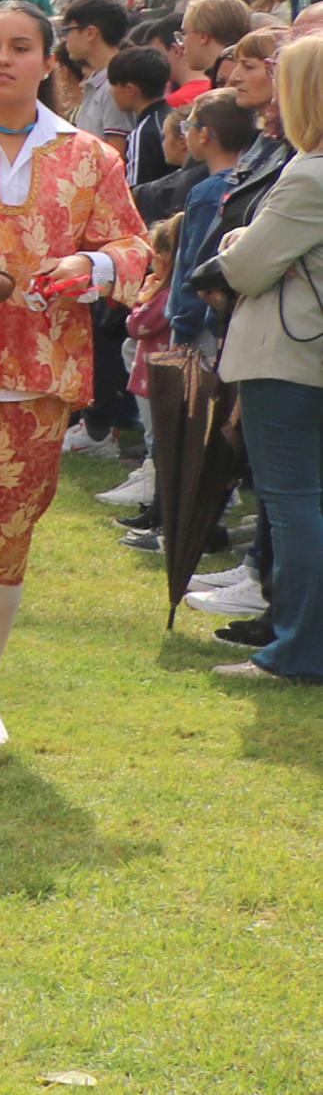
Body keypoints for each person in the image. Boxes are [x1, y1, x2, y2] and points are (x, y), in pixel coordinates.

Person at [0, 0, 152, 747]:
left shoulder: (85, 155)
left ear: (45, 61)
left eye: (19, 46)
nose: (2, 58)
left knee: (4, 541)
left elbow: (134, 247)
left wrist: (90, 262)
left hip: (33, 376)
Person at [204, 37, 323, 684]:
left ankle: (297, 650)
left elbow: (244, 266)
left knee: (293, 505)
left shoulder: (308, 171)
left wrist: (231, 239)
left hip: (289, 356)